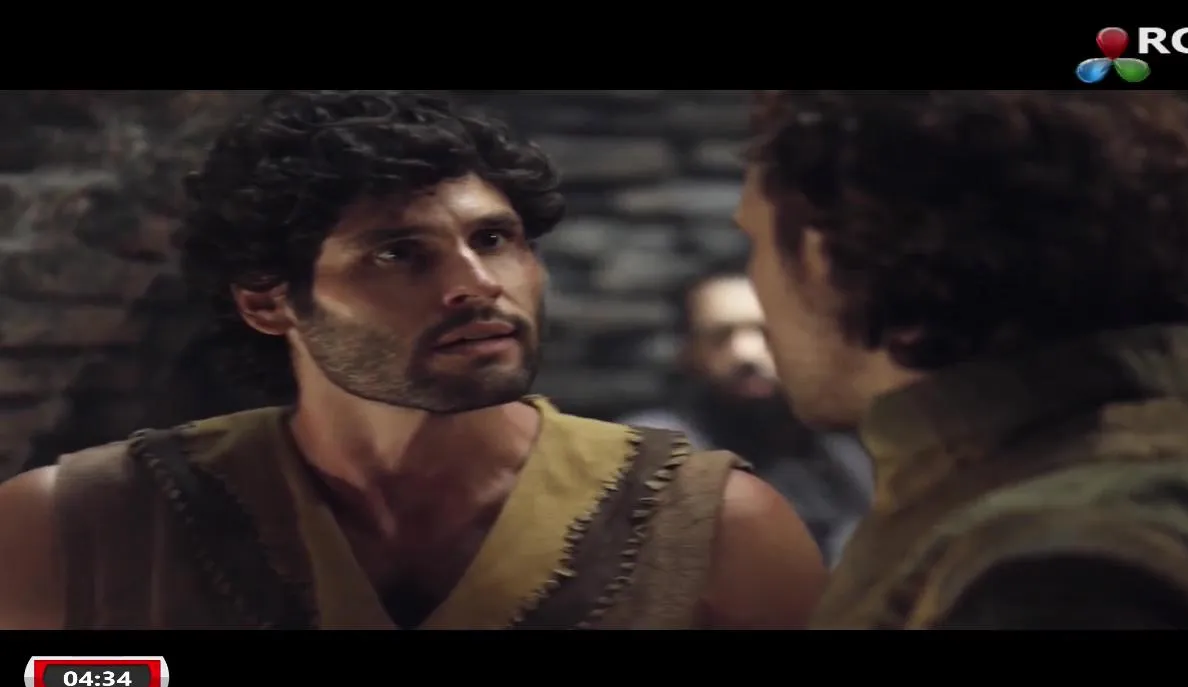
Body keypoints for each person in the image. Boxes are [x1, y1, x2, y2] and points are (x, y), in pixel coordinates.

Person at [0, 90, 826, 630]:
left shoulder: (715, 527)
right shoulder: (75, 525)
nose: (476, 285)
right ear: (268, 302)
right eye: (397, 253)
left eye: (494, 239)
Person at [734, 90, 1188, 629]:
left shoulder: (1057, 565)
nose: (756, 289)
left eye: (754, 244)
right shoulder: (1057, 479)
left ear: (823, 254)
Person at [619, 263, 873, 564]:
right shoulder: (656, 453)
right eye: (719, 336)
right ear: (689, 351)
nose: (745, 353)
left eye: (765, 331)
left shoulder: (848, 448)